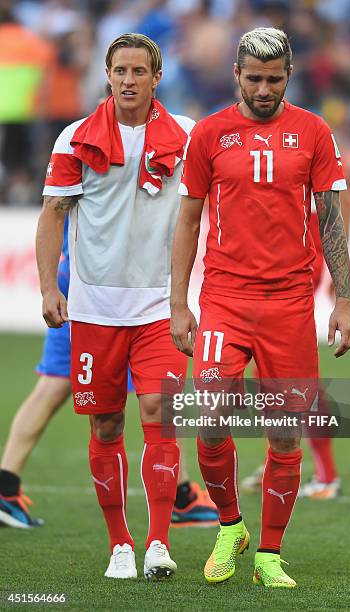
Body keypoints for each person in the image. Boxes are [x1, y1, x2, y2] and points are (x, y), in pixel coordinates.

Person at [170, 27, 350, 588]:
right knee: (210, 421)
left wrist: (343, 300)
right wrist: (178, 302)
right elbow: (187, 221)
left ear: (288, 77)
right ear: (236, 75)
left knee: (284, 434)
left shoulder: (315, 132)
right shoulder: (207, 134)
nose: (264, 89)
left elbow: (331, 220)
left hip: (290, 305)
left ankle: (269, 554)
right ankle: (230, 526)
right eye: (254, 78)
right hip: (224, 299)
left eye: (274, 79)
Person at [36, 32, 195, 581]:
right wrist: (48, 289)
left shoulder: (189, 138)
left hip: (159, 308)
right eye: (119, 70)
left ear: (157, 77)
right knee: (106, 425)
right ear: (107, 74)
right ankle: (119, 544)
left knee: (159, 416)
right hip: (94, 309)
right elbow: (53, 216)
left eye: (139, 71)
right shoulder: (75, 137)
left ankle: (157, 542)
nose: (128, 79)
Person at [0, 222, 218, 530]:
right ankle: (180, 497)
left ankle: (5, 486)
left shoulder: (76, 177)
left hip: (82, 278)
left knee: (55, 385)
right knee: (159, 392)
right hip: (107, 288)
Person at [242, 190, 350, 499]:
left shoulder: (318, 142)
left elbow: (343, 205)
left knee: (286, 372)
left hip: (298, 258)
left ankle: (323, 473)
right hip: (283, 253)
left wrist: (338, 271)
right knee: (269, 369)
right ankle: (279, 459)